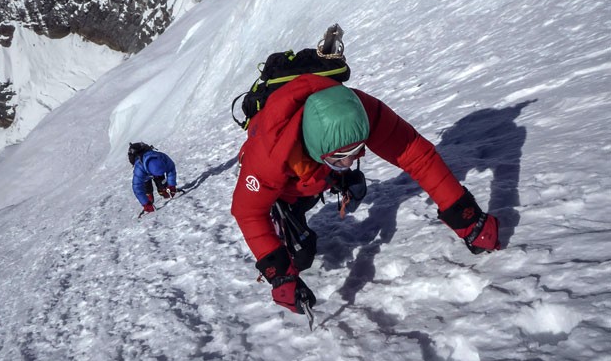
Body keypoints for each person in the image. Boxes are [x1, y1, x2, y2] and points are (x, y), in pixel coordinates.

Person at [230, 73, 501, 315]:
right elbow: (248, 211)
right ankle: (290, 220)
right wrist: (279, 276)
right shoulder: (267, 156)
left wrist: (468, 218)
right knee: (300, 258)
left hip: (320, 175)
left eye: (355, 152)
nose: (348, 162)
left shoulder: (359, 110)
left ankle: (325, 180)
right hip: (284, 192)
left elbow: (417, 156)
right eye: (339, 158)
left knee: (352, 183)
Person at [129, 143, 177, 214]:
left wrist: (171, 185)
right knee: (147, 187)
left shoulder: (162, 158)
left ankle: (163, 190)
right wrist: (145, 204)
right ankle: (149, 197)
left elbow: (171, 169)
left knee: (162, 185)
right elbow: (137, 187)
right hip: (145, 174)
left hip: (153, 168)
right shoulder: (139, 169)